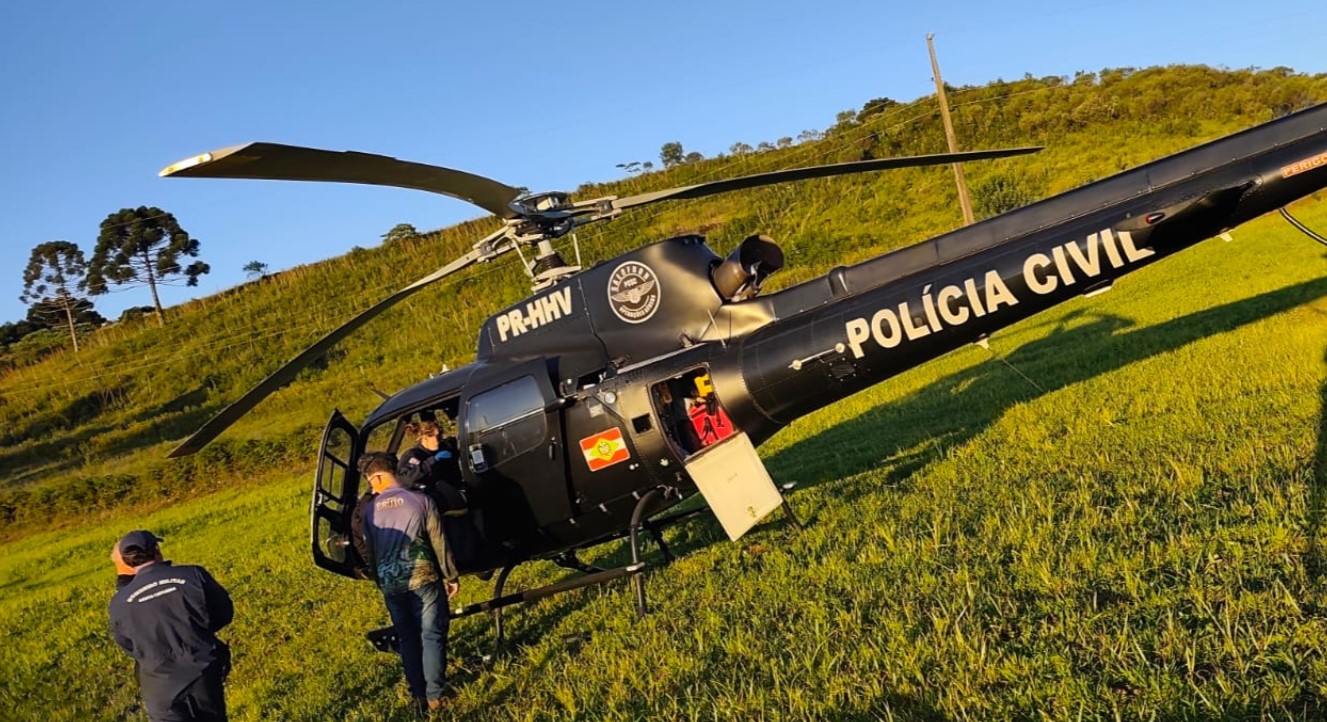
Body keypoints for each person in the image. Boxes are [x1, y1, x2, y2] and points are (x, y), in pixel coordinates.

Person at [360, 452, 460, 713]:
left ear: (381, 476)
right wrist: (450, 575)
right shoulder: (421, 500)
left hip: (392, 584)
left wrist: (380, 581)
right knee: (432, 634)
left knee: (407, 638)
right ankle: (436, 695)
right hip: (423, 577)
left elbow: (371, 553)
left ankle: (418, 695)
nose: (372, 488)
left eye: (372, 482)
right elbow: (439, 542)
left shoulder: (369, 511)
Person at [109, 530, 233, 722]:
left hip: (159, 684)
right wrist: (197, 631)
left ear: (126, 562)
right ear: (156, 550)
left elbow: (126, 643)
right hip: (202, 671)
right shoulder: (193, 574)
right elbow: (224, 613)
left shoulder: (119, 602)